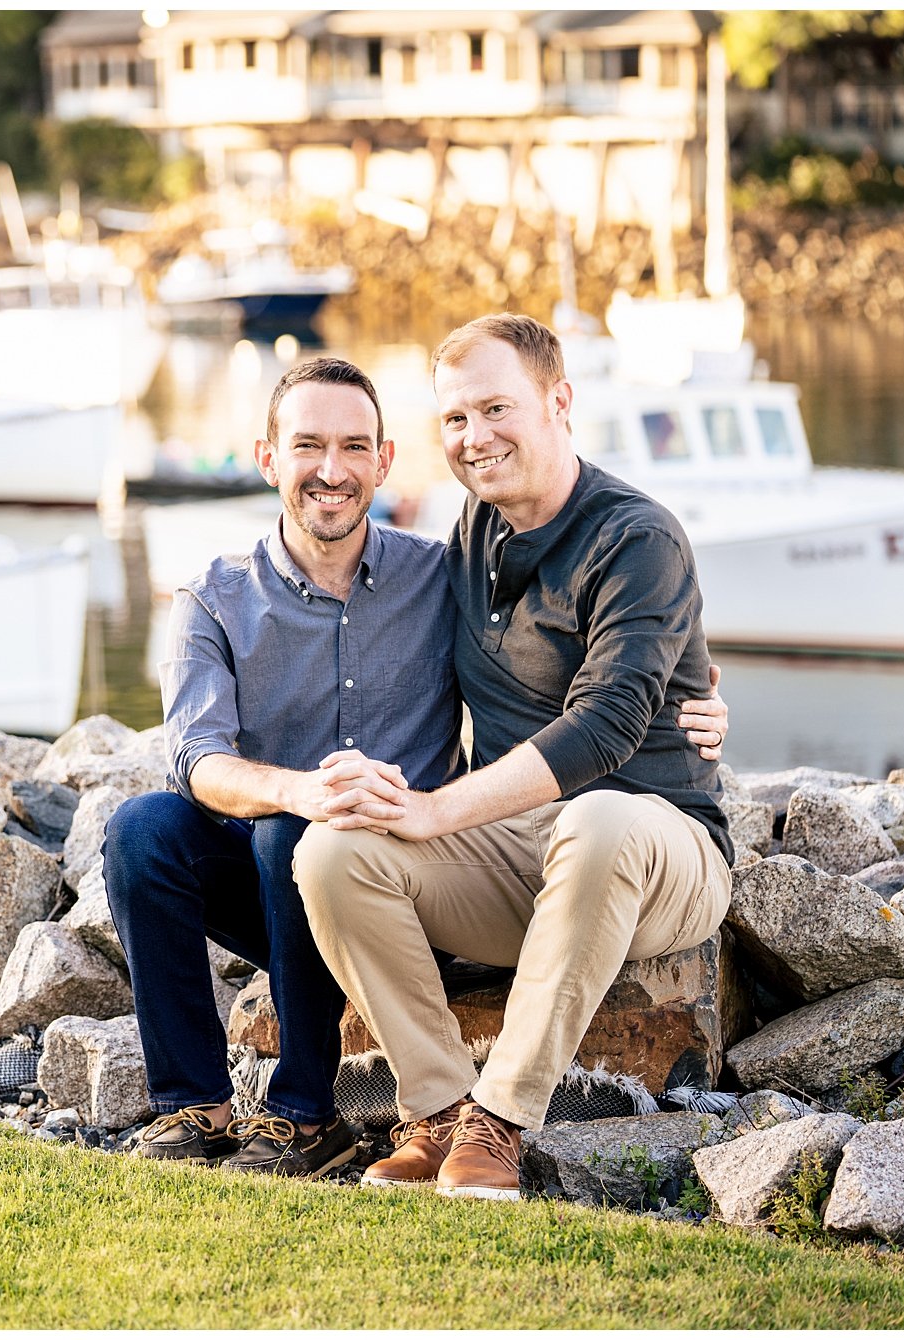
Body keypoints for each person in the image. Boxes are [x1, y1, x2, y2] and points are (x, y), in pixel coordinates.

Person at [102, 356, 729, 1178]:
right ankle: (203, 1107)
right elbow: (195, 758)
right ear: (267, 458)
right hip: (346, 880)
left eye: (354, 446)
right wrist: (300, 791)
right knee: (157, 829)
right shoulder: (217, 597)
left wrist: (704, 697)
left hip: (493, 863)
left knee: (299, 837)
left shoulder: (439, 573)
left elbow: (622, 667)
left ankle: (328, 1116)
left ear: (384, 462)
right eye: (307, 447)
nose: (332, 471)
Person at [293, 314, 735, 1201]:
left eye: (496, 408)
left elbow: (610, 725)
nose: (474, 437)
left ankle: (501, 1124)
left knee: (600, 818)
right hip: (519, 853)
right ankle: (440, 1112)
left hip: (655, 847)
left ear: (559, 402)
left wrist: (433, 809)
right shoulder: (473, 533)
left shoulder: (636, 538)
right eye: (454, 419)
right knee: (332, 852)